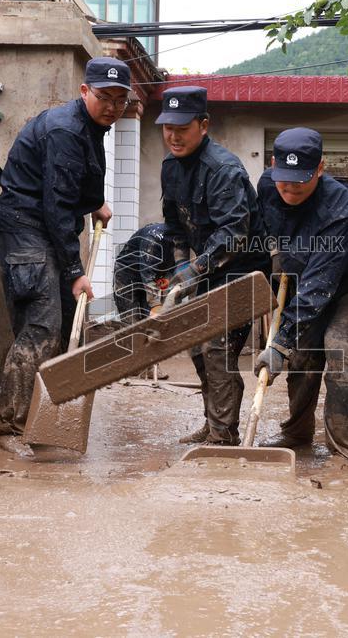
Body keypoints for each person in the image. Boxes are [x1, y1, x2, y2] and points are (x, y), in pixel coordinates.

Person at [0, 57, 129, 449]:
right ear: (85, 92)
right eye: (104, 97)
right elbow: (56, 204)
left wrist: (94, 203)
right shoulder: (66, 129)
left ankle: (42, 423)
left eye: (120, 100)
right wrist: (74, 271)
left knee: (68, 328)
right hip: (27, 230)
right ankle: (7, 429)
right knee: (43, 327)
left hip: (45, 227)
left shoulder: (91, 126)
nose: (113, 107)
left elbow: (74, 184)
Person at [255, 128, 348, 461]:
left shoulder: (342, 205)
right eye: (284, 177)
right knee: (301, 355)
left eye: (302, 179)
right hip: (308, 274)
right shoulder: (268, 186)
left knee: (339, 350)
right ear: (273, 165)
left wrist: (279, 342)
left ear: (321, 169)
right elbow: (271, 227)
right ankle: (297, 435)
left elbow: (319, 284)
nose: (290, 187)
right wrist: (278, 252)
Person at [157, 86, 268, 446]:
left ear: (203, 125)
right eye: (167, 127)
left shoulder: (224, 169)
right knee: (194, 344)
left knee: (217, 346)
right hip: (206, 271)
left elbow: (235, 235)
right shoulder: (170, 168)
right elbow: (175, 229)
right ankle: (214, 422)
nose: (173, 136)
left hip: (243, 270)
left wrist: (192, 273)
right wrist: (178, 272)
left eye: (182, 128)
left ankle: (223, 436)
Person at [113, 223, 176, 326]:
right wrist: (155, 306)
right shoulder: (153, 239)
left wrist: (168, 280)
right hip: (127, 276)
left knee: (150, 321)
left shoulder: (181, 241)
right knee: (132, 323)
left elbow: (175, 267)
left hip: (152, 275)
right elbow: (148, 276)